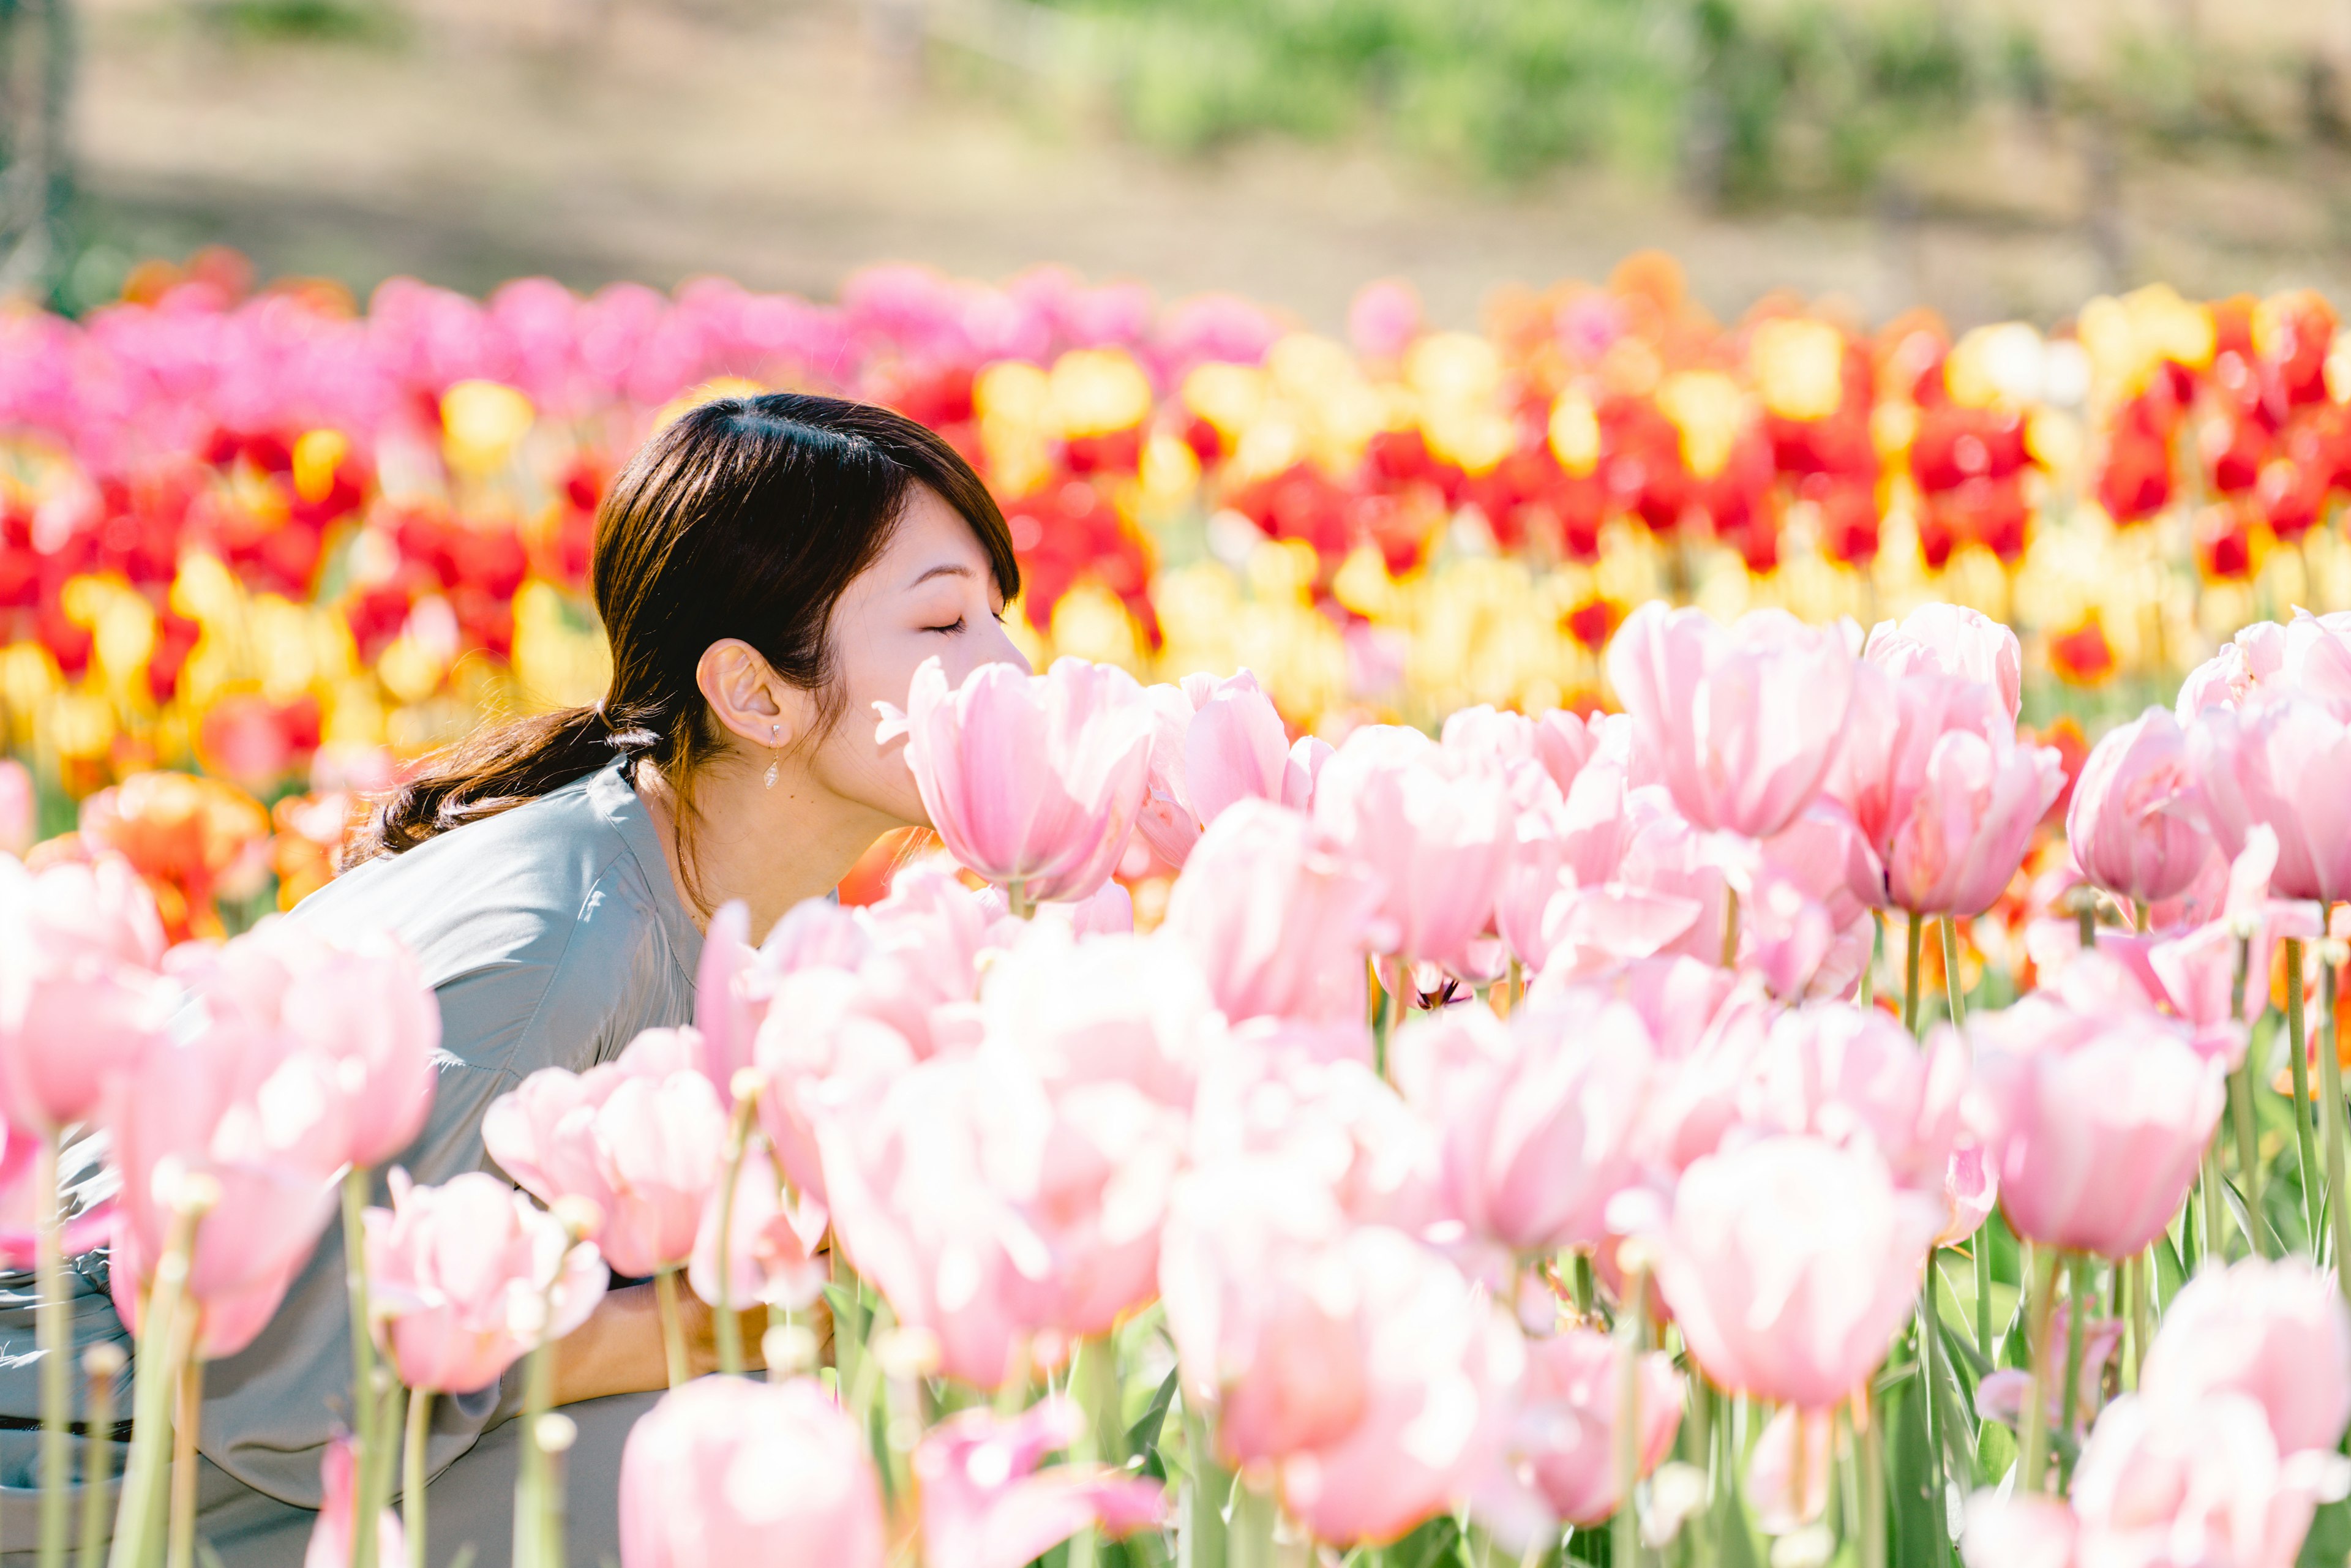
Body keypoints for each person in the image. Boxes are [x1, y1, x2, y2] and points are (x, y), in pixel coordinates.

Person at [0, 392, 1028, 1565]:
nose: (1008, 667)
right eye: (946, 625)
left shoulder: (737, 897)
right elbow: (308, 1366)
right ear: (755, 692)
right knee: (684, 1472)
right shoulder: (556, 946)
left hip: (243, 1432)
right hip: (89, 1455)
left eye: (998, 614)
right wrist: (737, 1314)